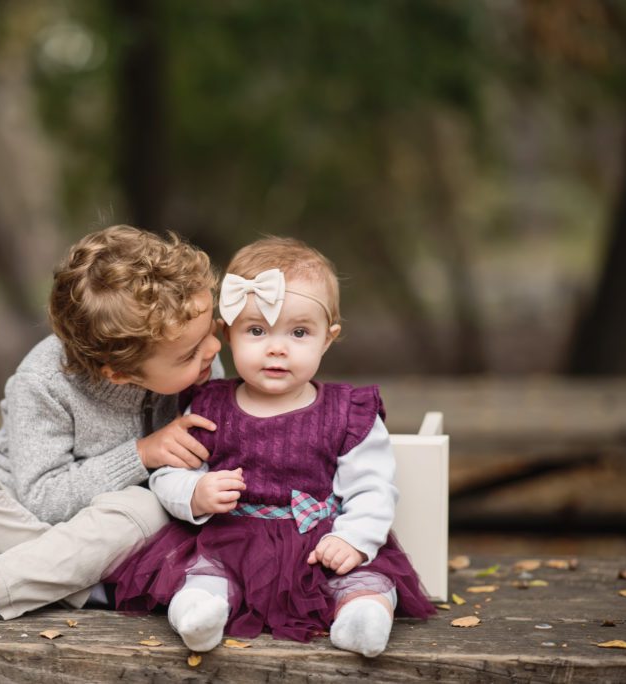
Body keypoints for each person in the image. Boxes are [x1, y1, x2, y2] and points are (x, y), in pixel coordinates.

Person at [0, 225, 223, 628]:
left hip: (118, 526)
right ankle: (93, 588)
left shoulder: (202, 368)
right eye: (190, 354)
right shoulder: (42, 381)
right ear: (119, 374)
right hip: (33, 509)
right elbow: (42, 497)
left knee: (144, 506)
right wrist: (140, 455)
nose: (213, 350)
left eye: (211, 330)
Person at [107, 236, 435, 657]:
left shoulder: (348, 412)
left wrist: (354, 539)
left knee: (367, 580)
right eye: (257, 330)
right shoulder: (207, 404)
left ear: (327, 338)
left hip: (318, 543)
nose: (277, 348)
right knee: (202, 578)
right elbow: (171, 471)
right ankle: (198, 616)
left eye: (299, 332)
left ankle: (362, 617)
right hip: (231, 541)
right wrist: (195, 492)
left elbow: (373, 487)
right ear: (228, 334)